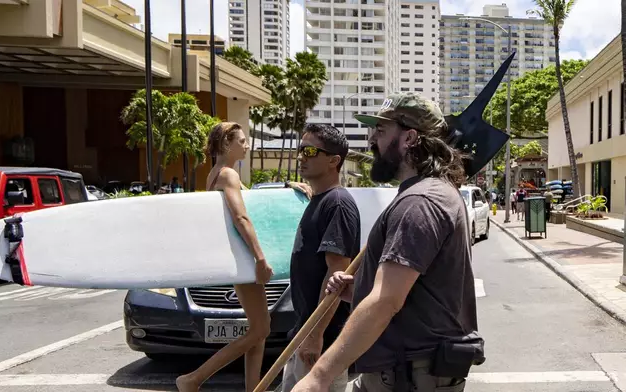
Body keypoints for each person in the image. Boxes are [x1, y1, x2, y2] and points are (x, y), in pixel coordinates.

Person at [291, 92, 483, 392]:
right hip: (402, 370)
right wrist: (360, 289)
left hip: (409, 375)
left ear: (409, 139)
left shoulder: (420, 202)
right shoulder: (425, 194)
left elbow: (386, 300)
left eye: (381, 131)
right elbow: (409, 290)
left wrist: (319, 376)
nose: (372, 141)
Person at [176, 122, 311, 392]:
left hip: (240, 260)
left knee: (259, 331)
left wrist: (287, 185)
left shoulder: (216, 174)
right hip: (246, 260)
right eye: (242, 140)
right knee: (260, 330)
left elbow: (252, 202)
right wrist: (261, 258)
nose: (247, 145)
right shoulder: (228, 175)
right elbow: (241, 217)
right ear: (227, 144)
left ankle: (253, 388)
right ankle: (194, 379)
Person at [279, 124, 361, 392]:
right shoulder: (321, 199)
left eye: (311, 151)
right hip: (302, 333)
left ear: (334, 161)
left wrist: (315, 335)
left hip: (322, 338)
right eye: (301, 149)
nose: (302, 156)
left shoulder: (337, 203)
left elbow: (336, 275)